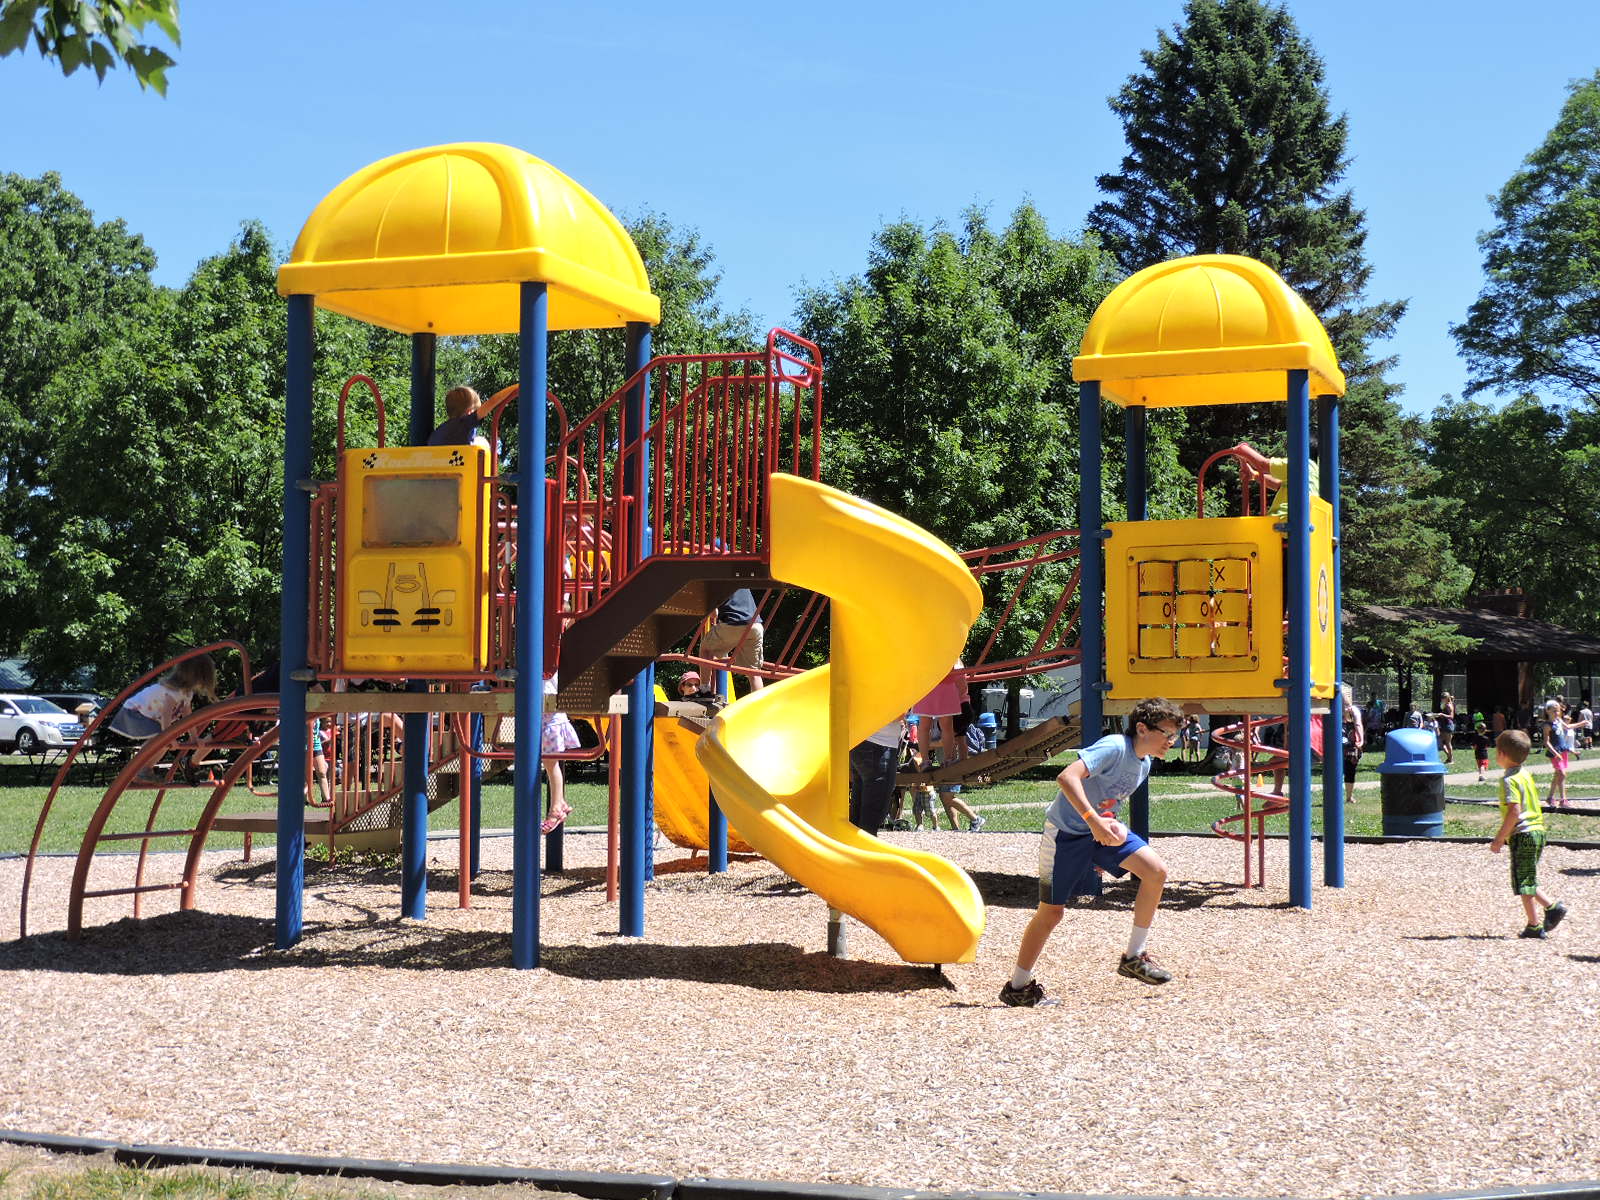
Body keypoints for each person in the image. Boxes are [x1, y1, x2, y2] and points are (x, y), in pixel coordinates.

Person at [1000, 697, 1183, 1006]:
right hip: (1065, 835)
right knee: (1051, 913)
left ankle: (1134, 957)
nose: (1171, 741)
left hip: (1099, 832)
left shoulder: (1144, 763)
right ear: (1142, 728)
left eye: (1174, 735)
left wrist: (1105, 832)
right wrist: (1093, 821)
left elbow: (1108, 800)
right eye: (1167, 734)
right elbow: (1066, 777)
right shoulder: (1115, 747)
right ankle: (1017, 988)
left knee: (1156, 872)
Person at [1489, 729, 1568, 939]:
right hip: (1538, 831)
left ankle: (1541, 918)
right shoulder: (1525, 774)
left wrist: (1499, 838)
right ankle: (1546, 913)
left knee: (1524, 881)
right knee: (1527, 878)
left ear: (1503, 754)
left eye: (1496, 751)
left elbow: (1514, 811)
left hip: (1523, 834)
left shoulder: (1509, 780)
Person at [540, 674, 582, 834]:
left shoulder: (548, 667)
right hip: (547, 718)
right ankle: (560, 802)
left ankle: (556, 809)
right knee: (551, 766)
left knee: (551, 766)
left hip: (551, 721)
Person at [700, 589, 764, 692]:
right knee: (754, 673)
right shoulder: (743, 584)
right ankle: (760, 700)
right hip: (755, 625)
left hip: (734, 623)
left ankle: (704, 690)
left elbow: (714, 614)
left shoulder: (715, 583)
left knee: (705, 649)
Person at [849, 717, 903, 834]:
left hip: (858, 742)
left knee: (858, 812)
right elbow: (899, 714)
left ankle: (851, 844)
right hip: (880, 744)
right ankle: (864, 844)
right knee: (872, 814)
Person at [428, 385, 491, 450]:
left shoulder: (436, 434)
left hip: (440, 455)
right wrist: (499, 395)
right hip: (463, 456)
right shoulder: (465, 424)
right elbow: (491, 403)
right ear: (470, 412)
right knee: (481, 442)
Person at [1542, 699, 1572, 809]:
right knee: (1562, 774)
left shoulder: (1558, 721)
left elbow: (1568, 727)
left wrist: (1582, 723)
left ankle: (1550, 797)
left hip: (1562, 751)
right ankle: (1563, 800)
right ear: (1547, 711)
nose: (1557, 713)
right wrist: (1555, 754)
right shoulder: (1547, 725)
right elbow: (1546, 742)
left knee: (1558, 774)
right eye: (1554, 711)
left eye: (1558, 711)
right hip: (1554, 753)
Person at [1339, 683, 1364, 807]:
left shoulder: (1353, 711)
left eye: (1346, 704)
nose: (1346, 707)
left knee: (1349, 769)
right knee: (1338, 770)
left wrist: (1361, 739)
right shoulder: (1333, 710)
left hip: (1350, 745)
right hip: (1338, 744)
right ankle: (1339, 796)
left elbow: (1358, 724)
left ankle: (1348, 797)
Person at [1438, 692, 1457, 763]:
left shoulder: (1449, 705)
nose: (1442, 699)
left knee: (1448, 743)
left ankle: (1451, 759)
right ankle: (1449, 758)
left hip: (1448, 725)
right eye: (1442, 697)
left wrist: (1442, 714)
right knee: (1440, 742)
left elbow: (1451, 716)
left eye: (1443, 698)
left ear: (1447, 698)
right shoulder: (1445, 705)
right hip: (1444, 725)